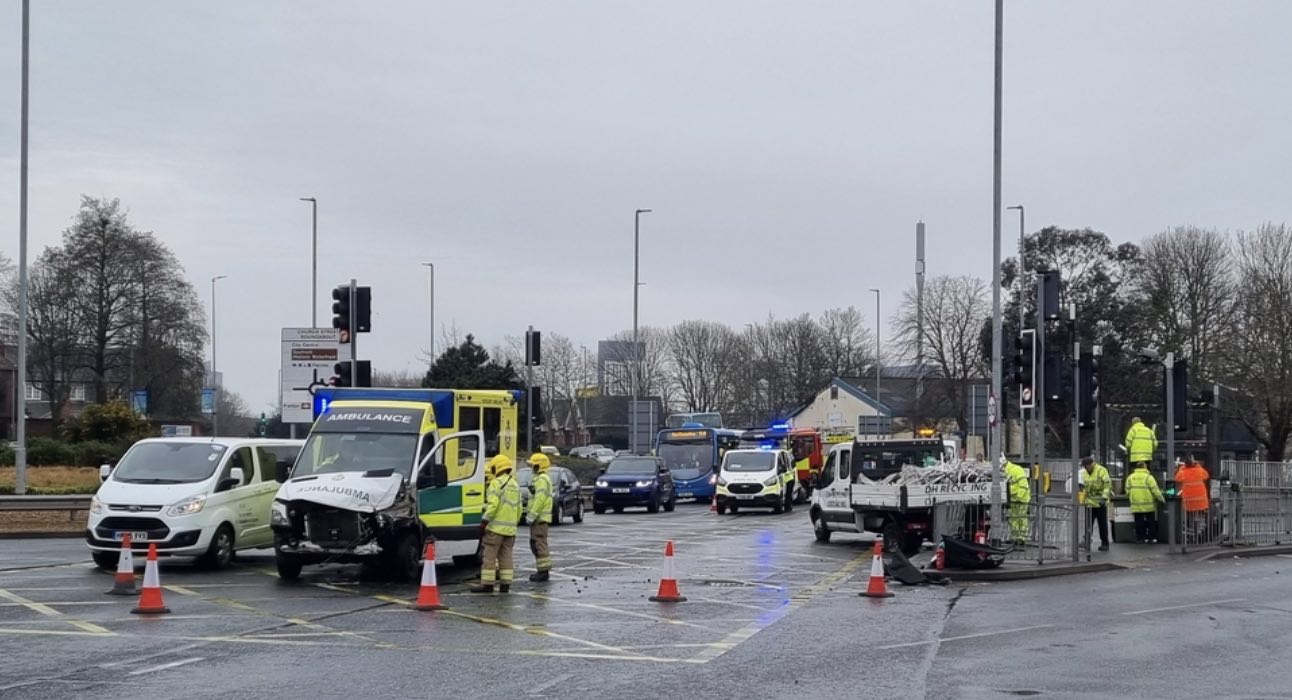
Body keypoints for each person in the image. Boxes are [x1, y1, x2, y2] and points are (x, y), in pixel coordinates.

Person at [472, 455, 521, 593]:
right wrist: (513, 524)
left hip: (495, 529)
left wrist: (484, 521)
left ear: (496, 468)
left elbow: (493, 506)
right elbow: (518, 508)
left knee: (490, 556)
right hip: (510, 530)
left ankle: (487, 584)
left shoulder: (496, 483)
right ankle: (505, 585)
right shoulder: (515, 485)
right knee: (506, 557)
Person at [526, 453, 554, 582]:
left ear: (538, 466)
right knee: (536, 543)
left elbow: (540, 499)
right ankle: (542, 570)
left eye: (532, 465)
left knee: (539, 544)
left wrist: (532, 515)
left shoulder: (542, 479)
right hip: (540, 518)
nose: (531, 467)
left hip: (539, 518)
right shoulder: (541, 478)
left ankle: (543, 572)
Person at [1126, 462, 1165, 543]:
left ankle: (1140, 538)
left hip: (1136, 504)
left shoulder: (1130, 477)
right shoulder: (1148, 477)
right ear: (1144, 467)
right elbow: (1155, 490)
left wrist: (1132, 497)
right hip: (1148, 504)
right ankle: (1151, 538)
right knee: (1150, 522)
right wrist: (1161, 499)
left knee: (1138, 522)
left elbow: (1127, 490)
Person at [1080, 456, 1112, 551]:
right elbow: (1086, 486)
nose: (1086, 468)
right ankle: (1086, 542)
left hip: (1100, 503)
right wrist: (1083, 497)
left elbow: (1107, 485)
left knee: (1102, 524)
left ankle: (1105, 543)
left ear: (1092, 464)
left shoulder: (1101, 470)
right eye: (1085, 466)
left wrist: (1104, 497)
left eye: (1087, 466)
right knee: (1088, 524)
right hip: (1090, 502)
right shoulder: (1084, 472)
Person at [1174, 454, 1211, 536]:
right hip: (1200, 497)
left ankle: (1191, 530)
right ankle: (1199, 531)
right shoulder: (1199, 470)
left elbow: (1177, 478)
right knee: (1199, 514)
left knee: (1190, 515)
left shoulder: (1183, 471)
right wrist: (1198, 466)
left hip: (1189, 498)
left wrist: (1182, 468)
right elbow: (1206, 475)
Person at [1002, 456, 1031, 545]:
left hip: (1021, 499)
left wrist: (1019, 497)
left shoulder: (1017, 469)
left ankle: (1022, 538)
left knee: (1021, 518)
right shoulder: (1004, 471)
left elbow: (1024, 485)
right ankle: (1014, 537)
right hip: (1013, 499)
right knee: (1013, 518)